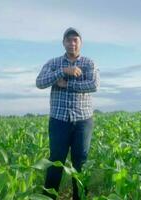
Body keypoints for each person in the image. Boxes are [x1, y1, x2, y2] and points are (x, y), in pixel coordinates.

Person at [35, 27, 100, 200]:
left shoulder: (88, 63)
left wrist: (67, 84)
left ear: (81, 43)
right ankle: (49, 197)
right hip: (59, 120)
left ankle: (80, 198)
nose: (72, 43)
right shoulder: (54, 63)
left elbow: (93, 85)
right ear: (63, 43)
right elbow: (40, 82)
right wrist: (63, 71)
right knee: (55, 161)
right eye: (68, 40)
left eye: (75, 40)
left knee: (80, 163)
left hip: (83, 120)